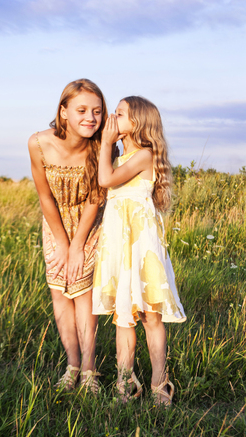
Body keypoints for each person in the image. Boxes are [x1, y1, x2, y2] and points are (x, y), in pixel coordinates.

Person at [92, 96, 186, 404]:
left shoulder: (145, 155)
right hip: (119, 246)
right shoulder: (121, 156)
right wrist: (109, 148)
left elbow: (105, 180)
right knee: (123, 317)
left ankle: (160, 383)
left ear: (137, 123)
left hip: (142, 247)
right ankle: (125, 383)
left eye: (118, 115)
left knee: (150, 315)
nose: (112, 119)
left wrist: (106, 143)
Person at [28, 79, 107, 393]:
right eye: (82, 110)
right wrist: (61, 242)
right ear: (63, 112)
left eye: (97, 111)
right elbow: (45, 196)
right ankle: (71, 365)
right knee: (60, 292)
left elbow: (96, 198)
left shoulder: (102, 144)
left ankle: (89, 371)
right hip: (56, 222)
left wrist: (77, 246)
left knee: (83, 294)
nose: (90, 117)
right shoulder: (38, 143)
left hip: (88, 224)